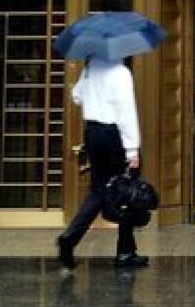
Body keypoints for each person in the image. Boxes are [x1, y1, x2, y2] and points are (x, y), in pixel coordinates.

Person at [57, 56, 148, 271]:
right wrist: (132, 148)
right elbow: (126, 111)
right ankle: (124, 253)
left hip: (93, 132)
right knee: (125, 190)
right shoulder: (120, 72)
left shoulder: (90, 69)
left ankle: (71, 238)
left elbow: (76, 96)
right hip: (112, 134)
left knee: (99, 189)